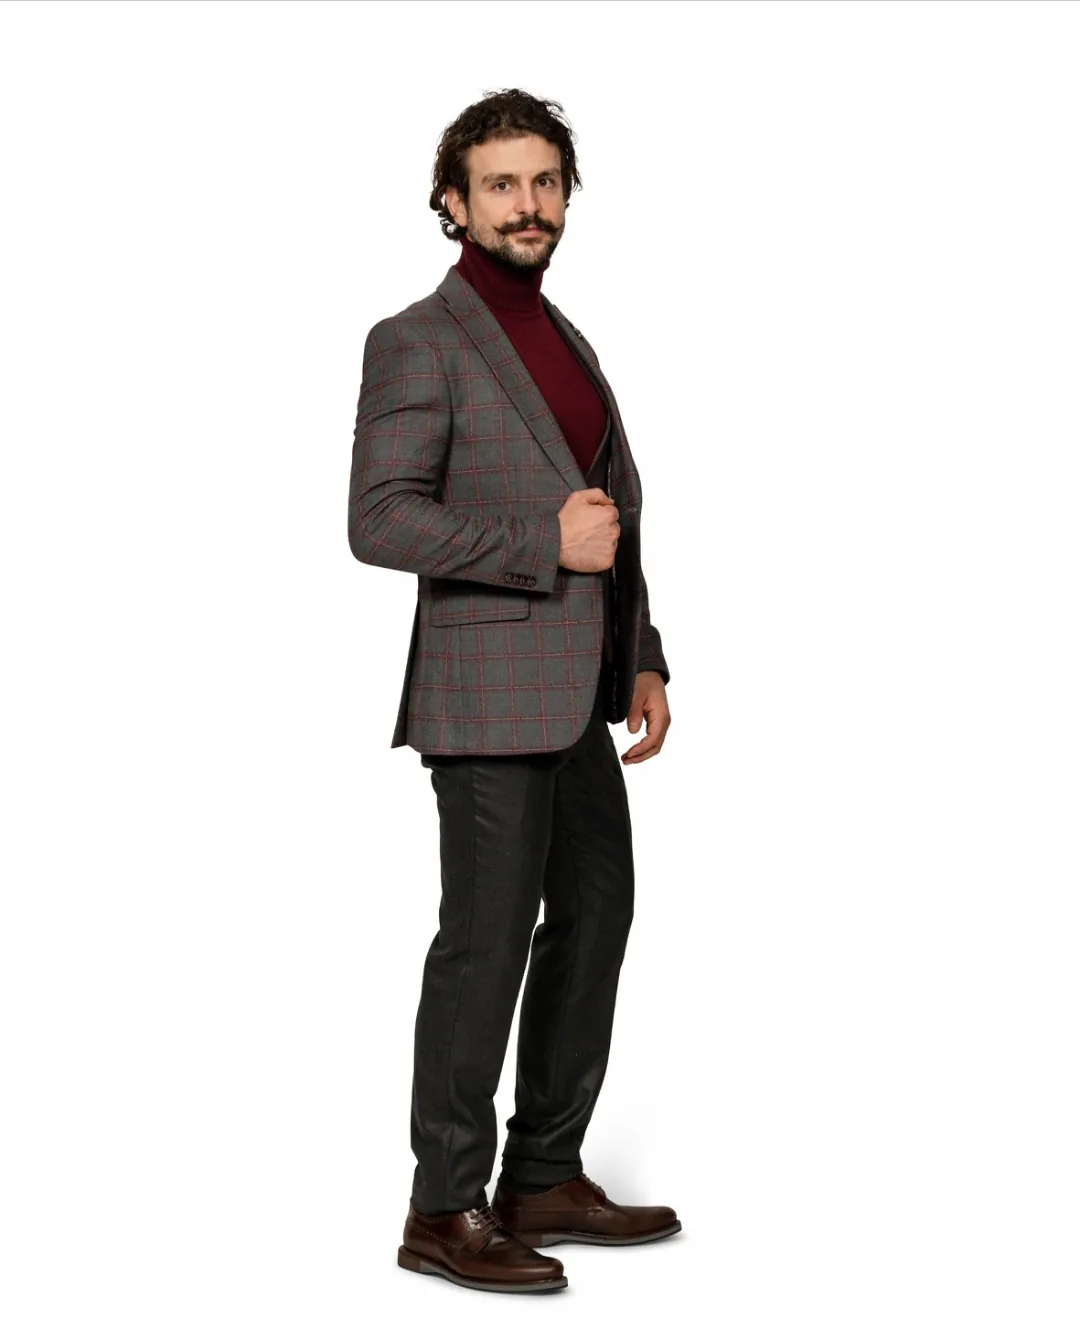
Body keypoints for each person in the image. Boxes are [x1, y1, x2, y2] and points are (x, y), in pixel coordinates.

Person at [347, 88, 680, 1296]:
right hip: (485, 694)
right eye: (501, 185)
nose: (527, 205)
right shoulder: (418, 339)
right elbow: (380, 519)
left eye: (544, 182)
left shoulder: (564, 336)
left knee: (598, 912)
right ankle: (443, 1207)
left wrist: (643, 652)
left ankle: (541, 1173)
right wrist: (544, 544)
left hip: (578, 689)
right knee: (484, 943)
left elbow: (610, 510)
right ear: (454, 202)